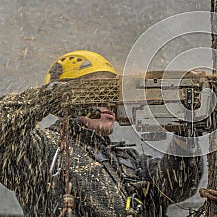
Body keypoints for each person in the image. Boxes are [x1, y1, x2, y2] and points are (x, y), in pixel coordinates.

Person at [0, 50, 202, 217]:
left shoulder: (127, 161)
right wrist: (50, 96)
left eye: (112, 93)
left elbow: (176, 187)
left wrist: (184, 131)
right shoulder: (41, 149)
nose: (108, 102)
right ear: (69, 100)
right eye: (98, 92)